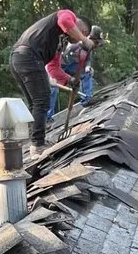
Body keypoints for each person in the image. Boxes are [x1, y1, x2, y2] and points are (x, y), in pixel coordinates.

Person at [10, 10, 97, 153]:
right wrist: (84, 39)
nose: (77, 40)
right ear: (84, 30)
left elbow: (53, 67)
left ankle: (35, 139)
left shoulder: (60, 42)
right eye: (83, 34)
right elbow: (65, 22)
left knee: (35, 103)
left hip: (18, 59)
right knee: (42, 100)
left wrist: (71, 80)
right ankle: (38, 145)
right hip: (28, 56)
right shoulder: (68, 15)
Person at [47, 27, 102, 119]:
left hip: (73, 68)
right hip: (58, 67)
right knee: (53, 88)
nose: (95, 45)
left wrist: (87, 67)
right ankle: (48, 117)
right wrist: (67, 78)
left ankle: (87, 99)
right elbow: (59, 60)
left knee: (87, 74)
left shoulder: (88, 49)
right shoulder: (73, 45)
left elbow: (88, 60)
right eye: (95, 42)